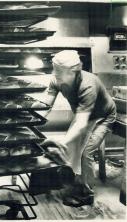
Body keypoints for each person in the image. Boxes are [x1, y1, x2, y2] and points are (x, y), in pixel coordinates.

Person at [34, 50, 116, 207]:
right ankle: (68, 180)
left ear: (73, 71)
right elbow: (47, 106)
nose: (54, 74)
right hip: (83, 116)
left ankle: (87, 194)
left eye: (58, 71)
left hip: (103, 117)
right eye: (54, 69)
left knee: (86, 153)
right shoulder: (57, 80)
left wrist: (62, 142)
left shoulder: (88, 84)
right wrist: (32, 120)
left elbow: (81, 122)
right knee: (70, 148)